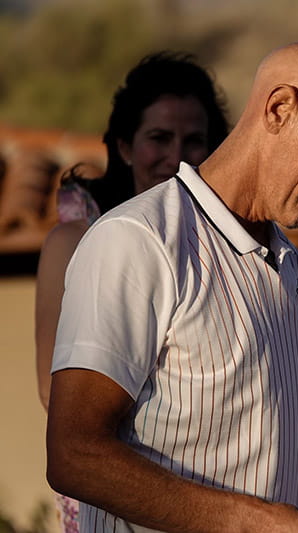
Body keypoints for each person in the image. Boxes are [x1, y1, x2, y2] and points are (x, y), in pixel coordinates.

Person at [45, 37, 298, 533]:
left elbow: (274, 471)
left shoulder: (297, 276)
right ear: (279, 108)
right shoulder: (138, 240)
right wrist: (247, 521)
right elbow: (75, 454)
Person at [35, 50, 230, 532]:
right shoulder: (77, 241)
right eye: (159, 138)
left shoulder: (223, 249)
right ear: (124, 147)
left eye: (195, 140)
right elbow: (52, 388)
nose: (177, 157)